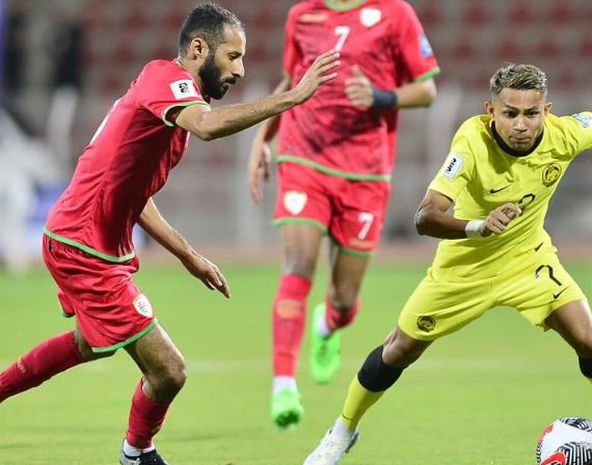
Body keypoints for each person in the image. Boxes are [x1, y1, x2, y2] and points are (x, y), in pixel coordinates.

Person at [302, 63, 592, 465]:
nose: (520, 124)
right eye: (510, 113)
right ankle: (343, 430)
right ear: (491, 110)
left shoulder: (564, 134)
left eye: (531, 113)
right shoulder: (471, 142)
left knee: (589, 339)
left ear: (547, 110)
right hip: (464, 268)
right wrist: (478, 226)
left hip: (527, 259)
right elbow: (425, 217)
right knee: (397, 350)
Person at [0, 3, 339, 465]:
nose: (239, 70)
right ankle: (136, 452)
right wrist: (293, 97)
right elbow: (209, 126)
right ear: (199, 48)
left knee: (87, 343)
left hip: (87, 241)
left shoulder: (168, 104)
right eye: (233, 56)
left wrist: (188, 255)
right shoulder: (167, 83)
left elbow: (135, 193)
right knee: (170, 371)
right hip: (82, 245)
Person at [247, 0, 440, 430]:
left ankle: (328, 324)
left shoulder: (394, 13)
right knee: (298, 264)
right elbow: (290, 81)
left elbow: (426, 90)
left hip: (365, 173)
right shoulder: (301, 15)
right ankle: (283, 384)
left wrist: (380, 97)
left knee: (345, 299)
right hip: (303, 157)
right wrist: (262, 137)